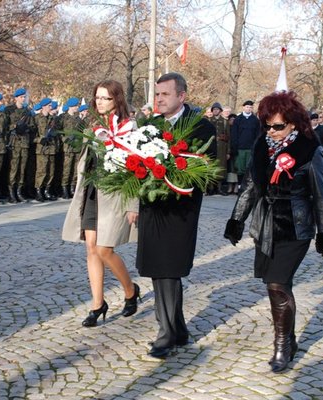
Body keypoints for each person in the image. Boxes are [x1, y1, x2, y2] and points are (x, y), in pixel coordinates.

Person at [224, 91, 323, 373]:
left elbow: (321, 195)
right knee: (273, 285)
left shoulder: (310, 150)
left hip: (295, 227)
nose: (271, 131)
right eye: (267, 125)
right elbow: (251, 186)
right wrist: (237, 220)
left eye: (277, 126)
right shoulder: (262, 147)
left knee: (277, 283)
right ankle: (291, 338)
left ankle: (282, 346)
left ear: (294, 124)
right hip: (265, 226)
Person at [136, 72, 217, 359]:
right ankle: (178, 329)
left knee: (169, 268)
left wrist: (174, 176)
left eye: (165, 94)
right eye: (157, 94)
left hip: (179, 209)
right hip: (151, 206)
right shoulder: (149, 125)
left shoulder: (199, 127)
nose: (159, 99)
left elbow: (207, 171)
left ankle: (166, 334)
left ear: (181, 96)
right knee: (157, 268)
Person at [62, 80, 140, 328]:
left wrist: (133, 204)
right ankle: (98, 304)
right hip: (92, 192)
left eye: (105, 98)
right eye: (97, 97)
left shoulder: (130, 127)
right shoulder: (93, 126)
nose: (100, 102)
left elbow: (136, 168)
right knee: (92, 249)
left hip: (117, 194)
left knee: (106, 249)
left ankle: (130, 290)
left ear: (117, 99)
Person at [230, 100, 260, 192]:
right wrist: (234, 147)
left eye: (251, 107)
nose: (249, 109)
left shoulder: (255, 120)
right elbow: (234, 134)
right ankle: (239, 186)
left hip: (251, 148)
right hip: (240, 148)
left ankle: (248, 187)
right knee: (240, 168)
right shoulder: (238, 119)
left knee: (249, 168)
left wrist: (256, 147)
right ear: (243, 107)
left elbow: (257, 135)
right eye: (247, 107)